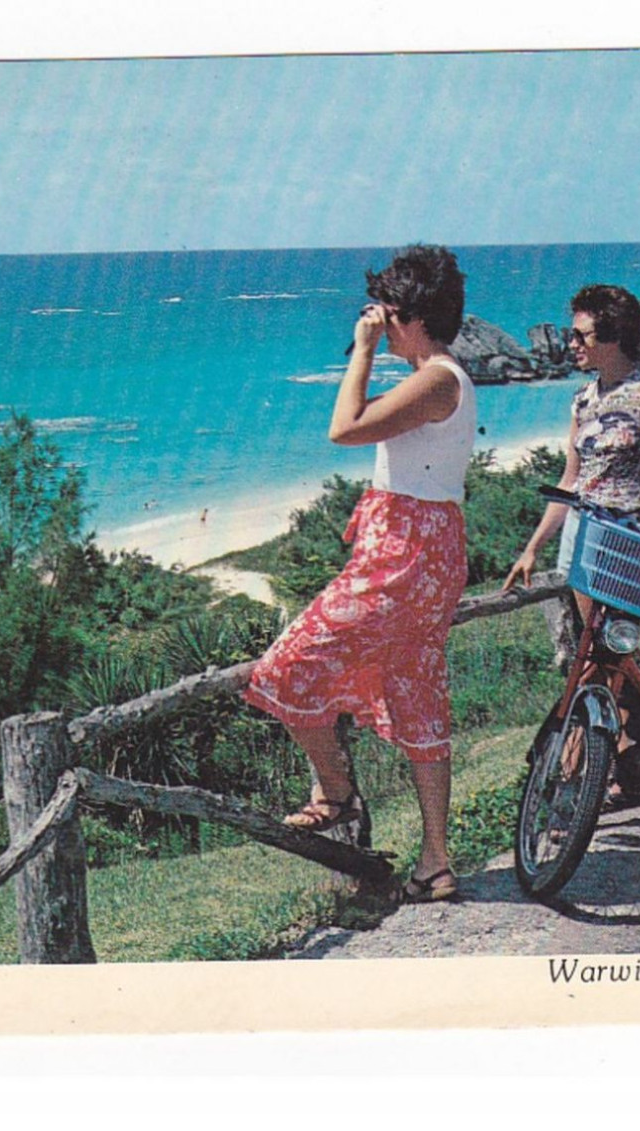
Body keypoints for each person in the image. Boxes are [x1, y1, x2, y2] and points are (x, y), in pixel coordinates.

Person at [242, 244, 475, 904]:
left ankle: (338, 792)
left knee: (286, 664)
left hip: (403, 556)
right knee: (416, 689)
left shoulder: (435, 379)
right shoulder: (441, 378)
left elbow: (343, 427)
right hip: (426, 553)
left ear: (406, 315)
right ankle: (435, 860)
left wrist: (363, 346)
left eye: (385, 313)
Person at [503, 283, 640, 594]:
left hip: (627, 538)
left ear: (614, 336)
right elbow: (569, 483)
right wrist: (533, 548)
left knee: (613, 637)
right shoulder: (583, 399)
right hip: (579, 530)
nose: (571, 344)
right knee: (585, 638)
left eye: (581, 335)